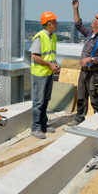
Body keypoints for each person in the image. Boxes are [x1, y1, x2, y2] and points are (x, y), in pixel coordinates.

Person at [68, 0, 98, 126]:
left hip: (94, 74)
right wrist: (76, 9)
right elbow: (78, 24)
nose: (93, 20)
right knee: (81, 96)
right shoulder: (90, 35)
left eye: (95, 19)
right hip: (85, 72)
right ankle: (79, 118)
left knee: (95, 99)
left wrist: (90, 59)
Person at [30, 11, 60, 139]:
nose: (57, 23)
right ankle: (35, 128)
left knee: (46, 100)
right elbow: (34, 56)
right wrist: (49, 65)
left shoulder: (53, 37)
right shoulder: (39, 36)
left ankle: (43, 124)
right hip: (40, 74)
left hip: (48, 73)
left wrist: (55, 64)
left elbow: (50, 55)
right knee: (38, 102)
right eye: (54, 21)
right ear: (49, 24)